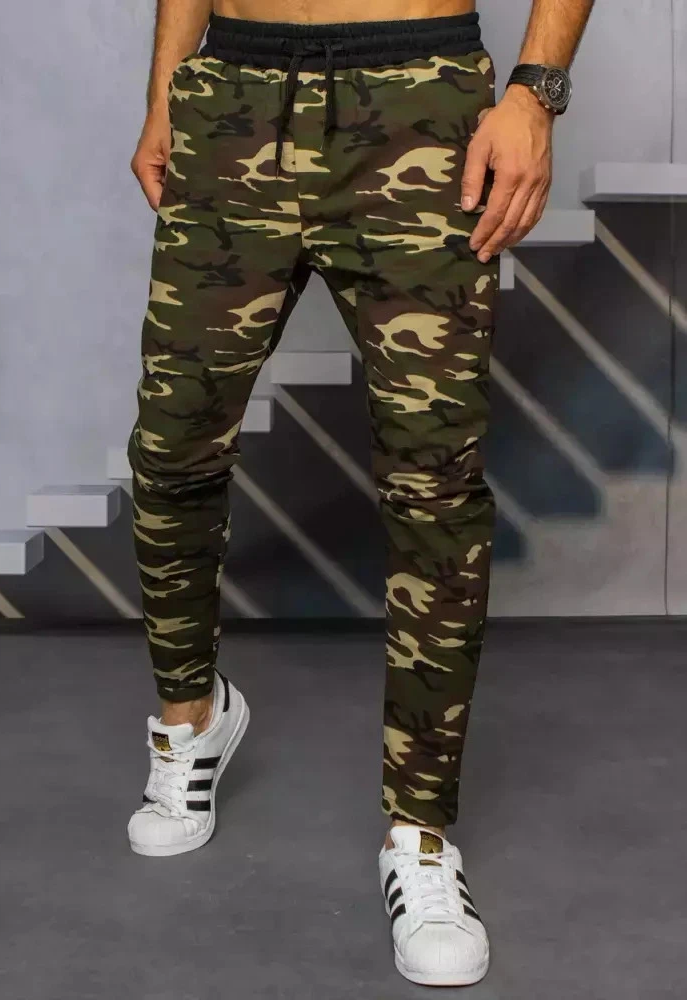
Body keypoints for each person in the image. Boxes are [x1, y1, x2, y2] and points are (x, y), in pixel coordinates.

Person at [126, 0, 593, 986]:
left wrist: (535, 94)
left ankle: (419, 836)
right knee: (173, 448)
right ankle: (190, 719)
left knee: (434, 486)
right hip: (234, 91)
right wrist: (168, 88)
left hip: (417, 96)